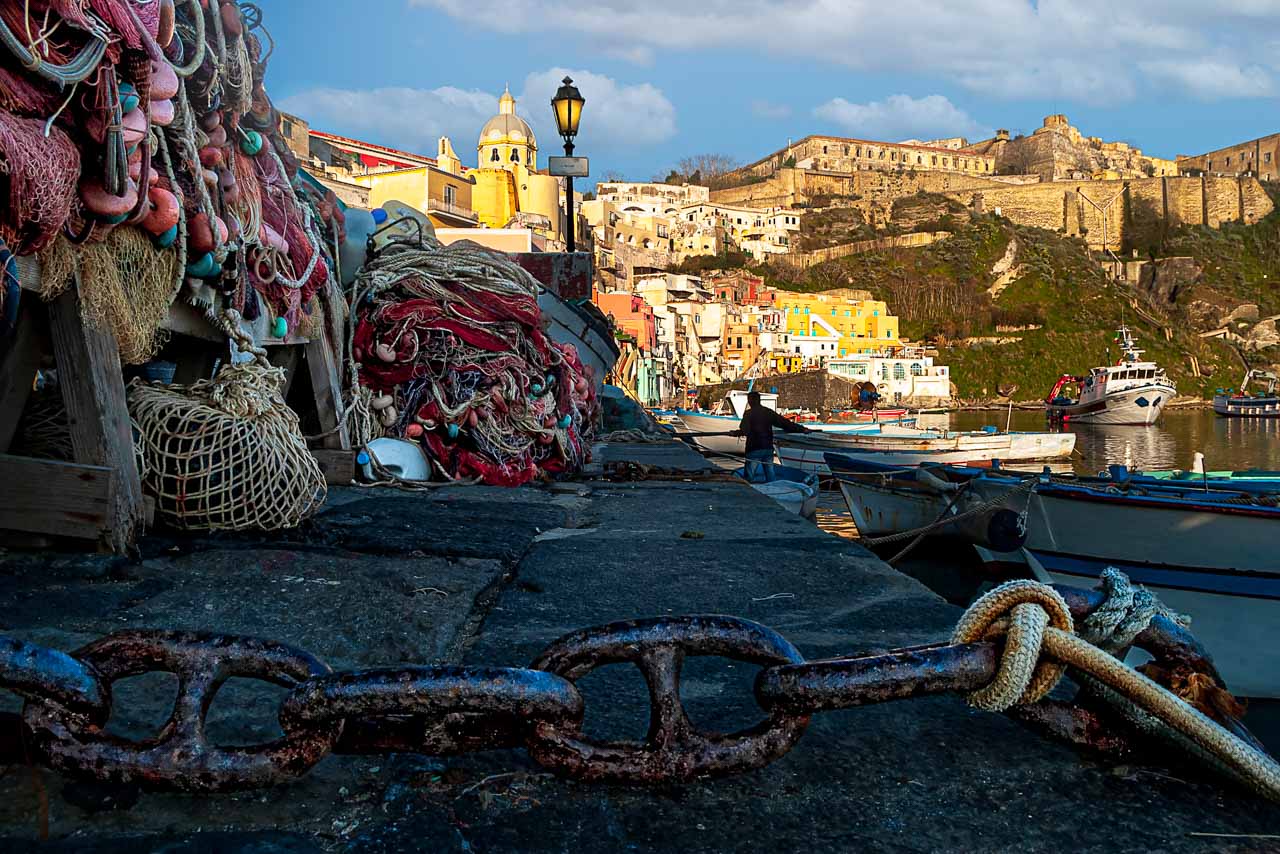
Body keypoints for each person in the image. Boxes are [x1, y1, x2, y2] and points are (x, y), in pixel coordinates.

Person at [735, 391, 812, 482]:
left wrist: (736, 433)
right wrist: (802, 429)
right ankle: (773, 488)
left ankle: (749, 491)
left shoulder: (748, 414)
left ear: (750, 401)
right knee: (770, 475)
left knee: (749, 477)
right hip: (767, 448)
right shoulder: (768, 412)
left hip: (754, 448)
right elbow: (785, 423)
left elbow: (744, 430)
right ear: (759, 400)